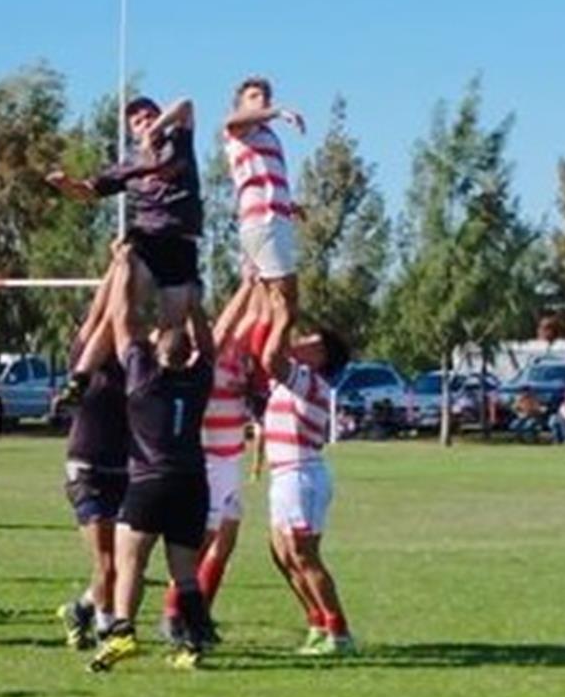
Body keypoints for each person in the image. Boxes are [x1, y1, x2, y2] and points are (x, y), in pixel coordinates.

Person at [75, 244, 217, 672]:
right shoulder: (199, 380)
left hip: (149, 482)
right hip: (193, 484)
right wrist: (192, 302)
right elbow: (208, 347)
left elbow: (122, 319)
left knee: (129, 560)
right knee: (185, 572)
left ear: (157, 351)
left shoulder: (142, 378)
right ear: (188, 354)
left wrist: (122, 271)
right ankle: (192, 645)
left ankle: (122, 635)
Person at [160, 274, 262, 646]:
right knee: (201, 542)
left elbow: (249, 322)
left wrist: (265, 291)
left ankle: (201, 613)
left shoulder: (236, 357)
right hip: (211, 458)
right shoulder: (203, 356)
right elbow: (225, 327)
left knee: (227, 539)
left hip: (230, 456)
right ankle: (175, 615)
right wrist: (250, 286)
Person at [46, 95, 203, 327]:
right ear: (133, 134)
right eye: (138, 122)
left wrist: (154, 130)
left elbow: (186, 105)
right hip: (146, 239)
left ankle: (169, 360)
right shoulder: (129, 163)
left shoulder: (178, 141)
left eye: (150, 116)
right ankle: (93, 361)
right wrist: (66, 185)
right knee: (120, 308)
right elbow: (89, 190)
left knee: (174, 329)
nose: (146, 122)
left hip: (180, 242)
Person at [258, 294, 357, 657]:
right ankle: (316, 621)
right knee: (281, 554)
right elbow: (266, 349)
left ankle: (339, 631)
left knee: (304, 554)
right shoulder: (290, 382)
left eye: (311, 344)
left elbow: (271, 357)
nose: (300, 344)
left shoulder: (312, 383)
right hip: (284, 476)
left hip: (301, 475)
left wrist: (283, 316)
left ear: (322, 359)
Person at [55, 258, 130, 649]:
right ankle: (105, 630)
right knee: (106, 561)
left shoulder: (133, 361)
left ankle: (81, 609)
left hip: (124, 470)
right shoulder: (84, 358)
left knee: (120, 564)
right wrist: (118, 267)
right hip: (86, 467)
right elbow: (102, 310)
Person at [223, 76, 306, 369]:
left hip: (273, 218)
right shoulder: (240, 131)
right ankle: (273, 365)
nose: (263, 102)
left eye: (265, 97)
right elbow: (233, 121)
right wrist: (278, 111)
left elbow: (263, 177)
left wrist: (290, 204)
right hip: (263, 221)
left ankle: (250, 363)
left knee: (267, 307)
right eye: (254, 97)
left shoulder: (268, 136)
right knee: (286, 304)